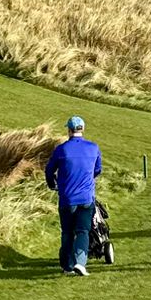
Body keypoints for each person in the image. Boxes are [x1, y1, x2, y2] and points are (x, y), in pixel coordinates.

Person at [45, 115, 103, 276]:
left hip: (67, 198)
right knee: (83, 231)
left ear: (69, 130)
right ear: (82, 129)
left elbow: (49, 170)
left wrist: (52, 183)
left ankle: (67, 266)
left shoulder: (62, 149)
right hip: (86, 198)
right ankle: (80, 263)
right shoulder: (93, 147)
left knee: (67, 232)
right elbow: (97, 170)